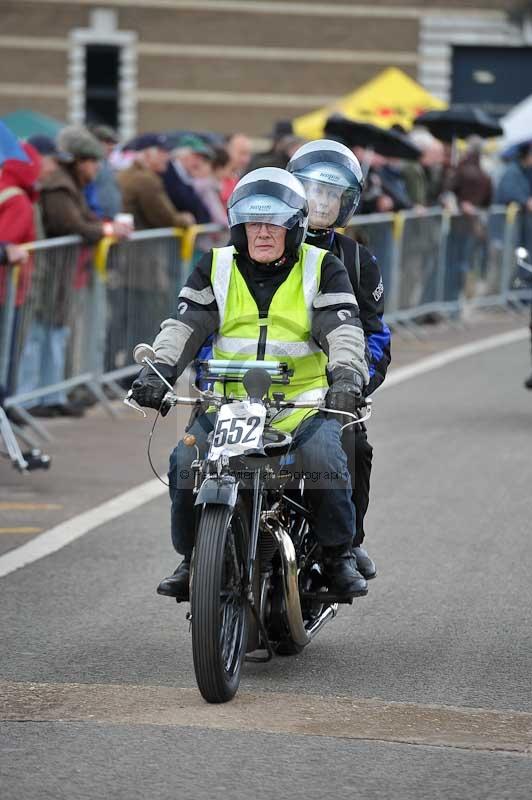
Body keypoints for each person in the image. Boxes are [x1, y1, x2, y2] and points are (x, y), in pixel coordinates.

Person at [131, 167, 370, 600]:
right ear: (238, 226)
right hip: (227, 406)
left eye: (274, 222)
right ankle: (194, 560)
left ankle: (337, 556)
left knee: (323, 459)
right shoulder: (215, 267)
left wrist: (347, 377)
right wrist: (158, 371)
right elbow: (183, 326)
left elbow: (344, 331)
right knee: (185, 464)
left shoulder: (323, 267)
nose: (262, 232)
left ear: (294, 226)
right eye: (253, 222)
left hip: (302, 405)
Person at [287, 139, 391, 580]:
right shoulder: (260, 244)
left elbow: (376, 333)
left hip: (328, 390)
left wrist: (353, 381)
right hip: (256, 383)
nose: (321, 203)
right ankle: (200, 555)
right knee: (206, 455)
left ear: (345, 203)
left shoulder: (356, 258)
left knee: (356, 447)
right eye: (314, 192)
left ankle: (345, 546)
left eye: (331, 196)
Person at [18, 126, 130, 417]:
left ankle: (52, 394)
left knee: (56, 334)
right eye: (93, 162)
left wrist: (107, 226)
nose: (97, 168)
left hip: (59, 273)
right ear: (80, 161)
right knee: (39, 336)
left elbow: (84, 218)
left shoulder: (71, 185)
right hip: (47, 273)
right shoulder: (60, 185)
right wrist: (107, 229)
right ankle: (32, 398)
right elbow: (71, 224)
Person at [117, 133, 195, 229]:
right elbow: (165, 219)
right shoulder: (145, 180)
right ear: (148, 154)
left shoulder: (128, 174)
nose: (167, 157)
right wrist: (185, 220)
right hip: (140, 241)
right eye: (162, 152)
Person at [163, 134, 213, 224]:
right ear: (182, 155)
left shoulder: (185, 176)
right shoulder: (167, 173)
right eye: (196, 157)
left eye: (201, 158)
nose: (199, 162)